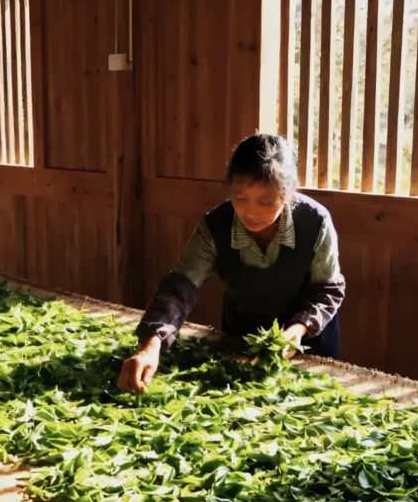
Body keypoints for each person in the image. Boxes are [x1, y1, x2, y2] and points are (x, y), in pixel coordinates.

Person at [118, 133, 345, 394]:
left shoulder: (315, 221)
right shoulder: (215, 226)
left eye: (266, 201)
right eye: (240, 197)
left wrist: (297, 330)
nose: (251, 211)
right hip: (243, 338)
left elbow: (327, 289)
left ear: (289, 194)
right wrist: (149, 347)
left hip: (310, 341)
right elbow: (180, 288)